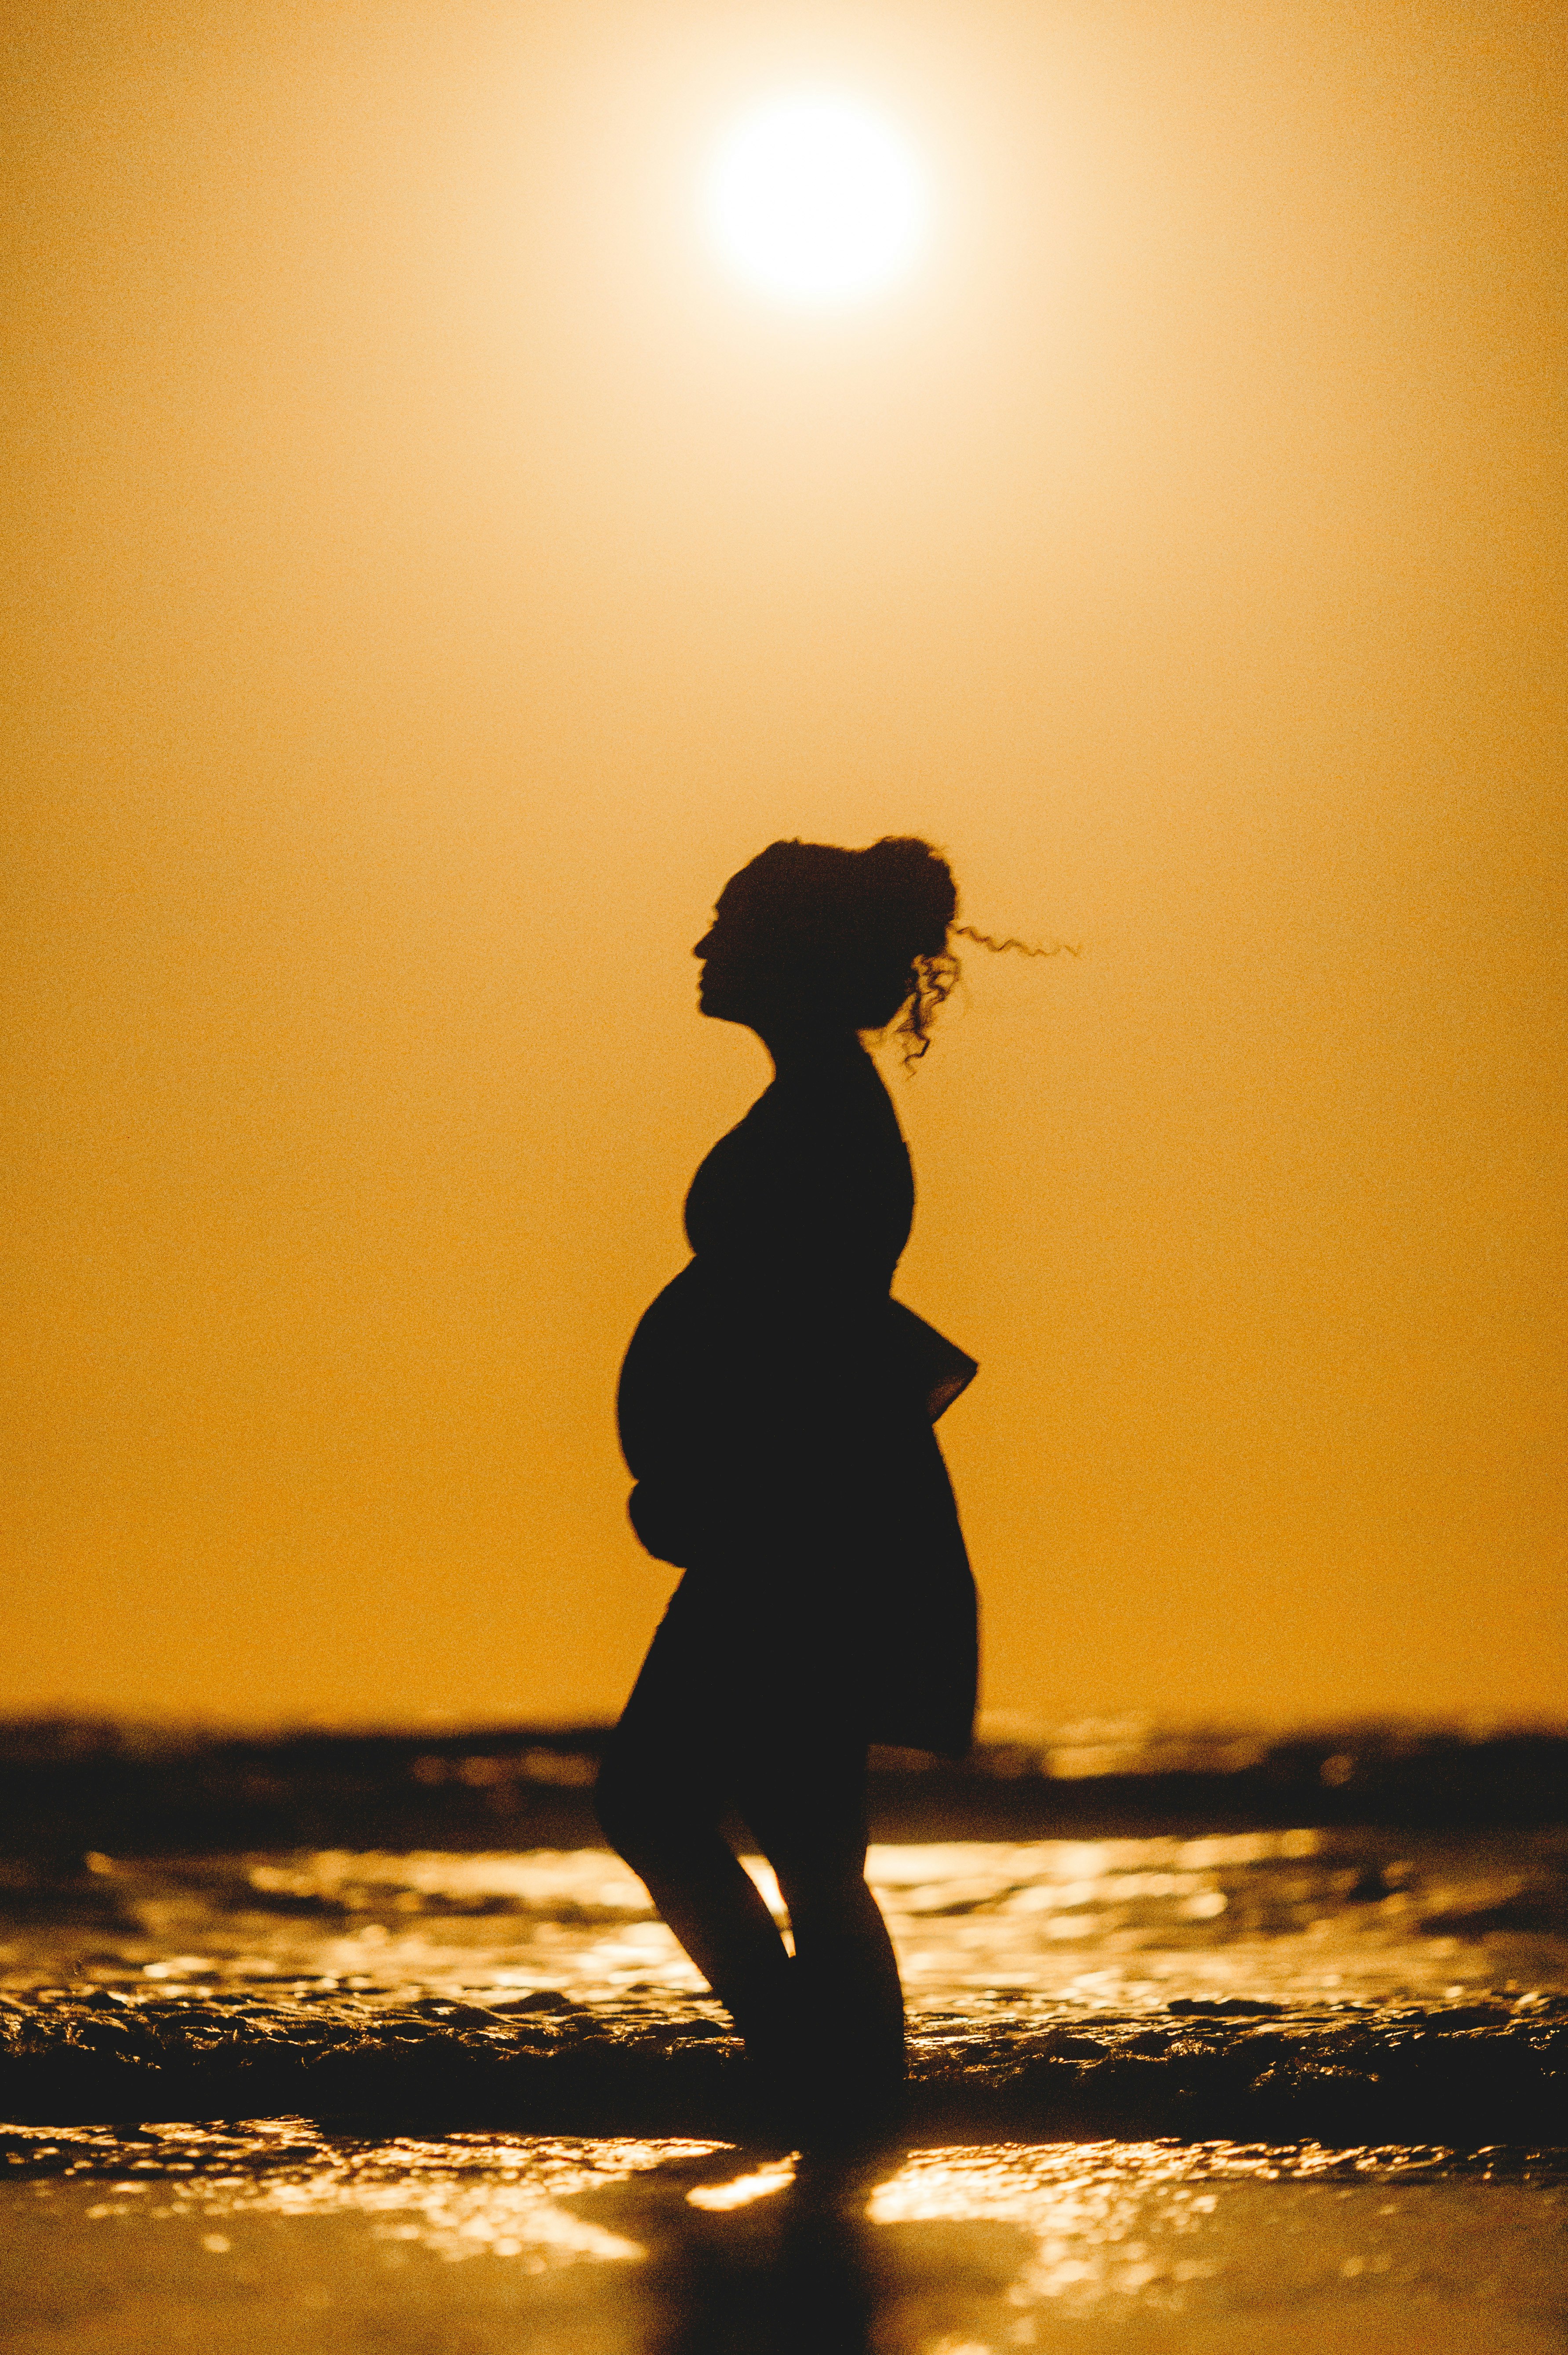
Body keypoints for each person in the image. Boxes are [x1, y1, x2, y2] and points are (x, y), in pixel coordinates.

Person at [595, 836, 997, 2147]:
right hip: (815, 1509)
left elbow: (809, 1337)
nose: (703, 949)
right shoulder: (818, 1098)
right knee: (803, 1830)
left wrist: (719, 1492)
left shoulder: (827, 1110)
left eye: (726, 925)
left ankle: (818, 2086)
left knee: (672, 1806)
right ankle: (834, 2096)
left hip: (802, 1519)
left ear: (794, 953)